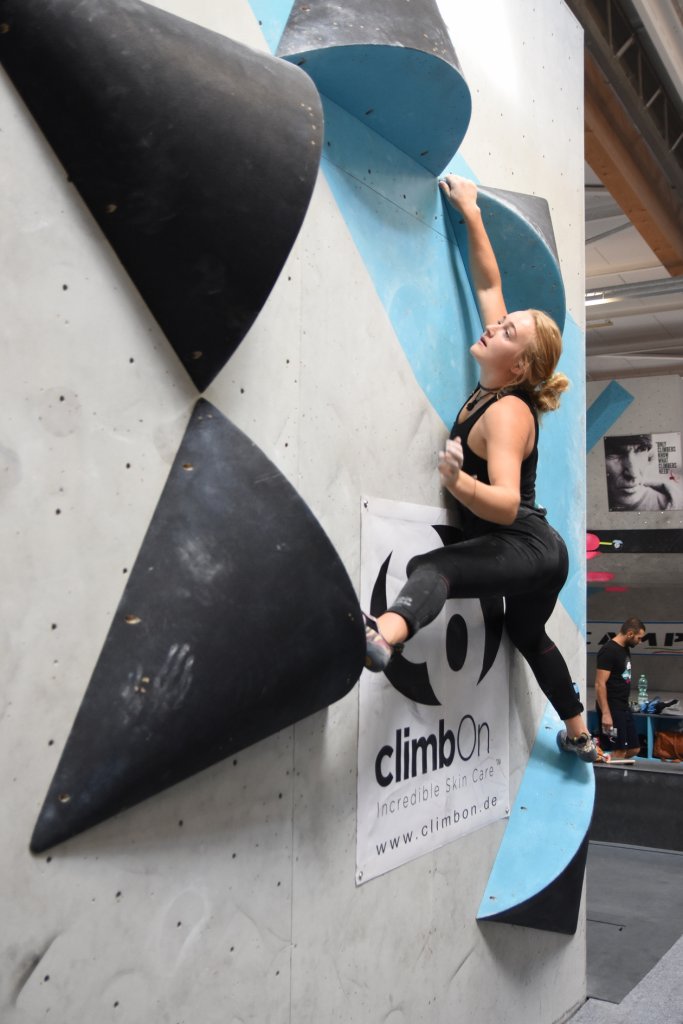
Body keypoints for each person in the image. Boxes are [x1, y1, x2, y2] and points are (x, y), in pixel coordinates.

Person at [363, 174, 600, 763]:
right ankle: (579, 734)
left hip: (525, 542)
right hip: (537, 552)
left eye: (507, 330)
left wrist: (459, 483)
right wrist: (470, 210)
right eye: (503, 321)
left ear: (518, 364)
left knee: (434, 564)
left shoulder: (509, 413)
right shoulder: (499, 382)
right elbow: (489, 283)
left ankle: (383, 635)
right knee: (528, 634)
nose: (494, 325)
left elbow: (503, 502)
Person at [594, 616, 646, 759]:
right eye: (639, 638)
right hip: (611, 708)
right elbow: (599, 684)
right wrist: (606, 713)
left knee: (634, 748)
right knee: (619, 750)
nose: (640, 642)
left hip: (622, 707)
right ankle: (605, 770)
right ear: (630, 633)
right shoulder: (609, 651)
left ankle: (605, 759)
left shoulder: (624, 649)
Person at [604, 434, 683, 511]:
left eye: (641, 450)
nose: (633, 474)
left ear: (649, 457)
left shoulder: (669, 505)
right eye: (615, 452)